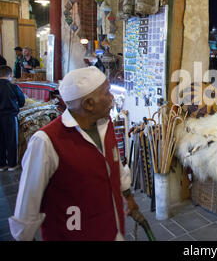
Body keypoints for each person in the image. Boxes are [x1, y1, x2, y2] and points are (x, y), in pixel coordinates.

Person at [9, 66, 139, 241]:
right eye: (107, 93)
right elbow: (26, 211)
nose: (112, 97)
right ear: (88, 104)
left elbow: (115, 166)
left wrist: (128, 196)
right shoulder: (46, 142)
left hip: (112, 232)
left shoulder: (105, 123)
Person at [0, 66, 26, 171]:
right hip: (10, 117)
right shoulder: (14, 87)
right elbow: (22, 102)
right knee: (11, 140)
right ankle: (12, 164)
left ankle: (1, 165)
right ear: (10, 75)